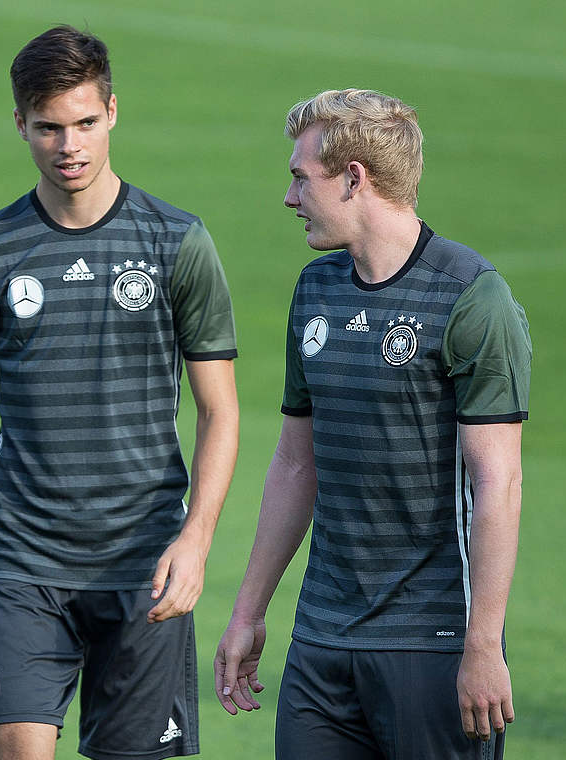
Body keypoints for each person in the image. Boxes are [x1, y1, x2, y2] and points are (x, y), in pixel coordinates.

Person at [0, 25, 240, 760]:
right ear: (20, 125)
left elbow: (220, 411)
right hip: (25, 562)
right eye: (49, 128)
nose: (69, 146)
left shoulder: (177, 243)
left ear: (113, 112)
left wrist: (196, 539)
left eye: (85, 124)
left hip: (146, 566)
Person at [213, 89, 531, 760]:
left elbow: (496, 480)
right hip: (322, 644)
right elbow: (298, 463)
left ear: (353, 178)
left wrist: (482, 646)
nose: (289, 197)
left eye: (302, 177)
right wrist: (248, 612)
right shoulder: (316, 290)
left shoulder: (472, 297)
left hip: (433, 647)